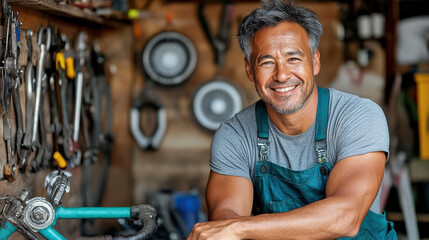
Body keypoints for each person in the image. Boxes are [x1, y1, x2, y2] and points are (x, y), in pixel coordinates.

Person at [187, 0, 398, 239]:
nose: (282, 75)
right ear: (249, 70)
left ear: (315, 61)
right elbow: (225, 218)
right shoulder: (235, 136)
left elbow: (346, 217)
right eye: (266, 62)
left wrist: (241, 228)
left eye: (293, 59)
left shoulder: (358, 117)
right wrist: (232, 226)